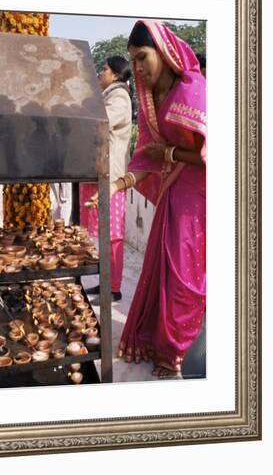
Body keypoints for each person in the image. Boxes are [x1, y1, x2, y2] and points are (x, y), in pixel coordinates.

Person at [108, 20, 206, 378]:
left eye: (142, 57)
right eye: (132, 60)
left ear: (163, 52)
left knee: (183, 274)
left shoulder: (192, 89)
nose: (137, 68)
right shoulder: (150, 99)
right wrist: (119, 185)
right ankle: (157, 342)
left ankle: (176, 352)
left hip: (199, 192)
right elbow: (150, 155)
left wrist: (171, 155)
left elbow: (215, 152)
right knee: (161, 268)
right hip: (172, 190)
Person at [80, 56, 133, 302]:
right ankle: (105, 284)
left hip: (112, 179)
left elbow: (99, 123)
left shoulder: (119, 98)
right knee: (102, 234)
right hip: (100, 173)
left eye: (104, 70)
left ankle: (113, 288)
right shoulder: (109, 96)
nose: (100, 73)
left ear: (115, 75)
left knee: (112, 236)